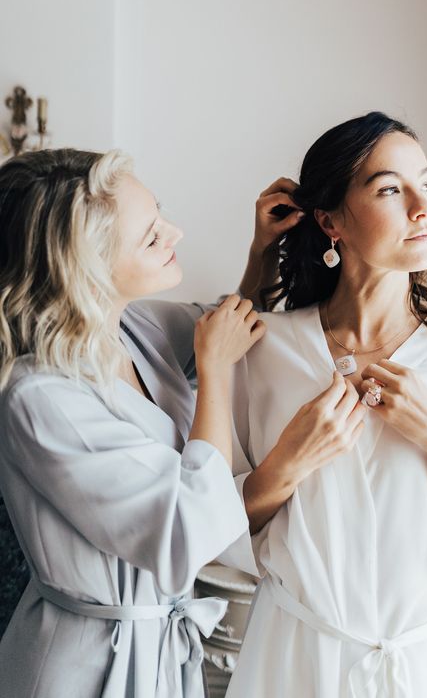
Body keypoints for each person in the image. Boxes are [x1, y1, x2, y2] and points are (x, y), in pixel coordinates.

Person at [223, 112, 427, 698]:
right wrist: (287, 463)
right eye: (392, 189)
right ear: (330, 220)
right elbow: (214, 527)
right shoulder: (264, 352)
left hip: (419, 669)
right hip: (293, 660)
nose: (423, 207)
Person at [0, 147, 302, 698]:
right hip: (84, 663)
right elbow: (186, 528)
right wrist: (214, 372)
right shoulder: (39, 397)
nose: (176, 232)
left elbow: (231, 322)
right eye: (150, 235)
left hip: (159, 642)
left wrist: (263, 253)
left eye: (160, 215)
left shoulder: (133, 328)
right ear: (85, 268)